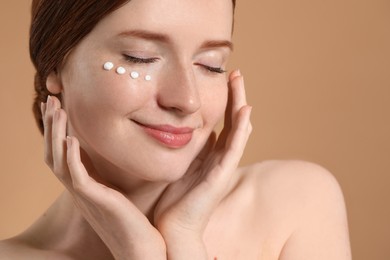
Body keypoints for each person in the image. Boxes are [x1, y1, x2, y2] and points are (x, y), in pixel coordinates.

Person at [0, 0, 351, 259]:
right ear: (56, 67)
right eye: (140, 57)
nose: (187, 100)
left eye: (211, 65)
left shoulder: (293, 204)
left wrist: (184, 241)